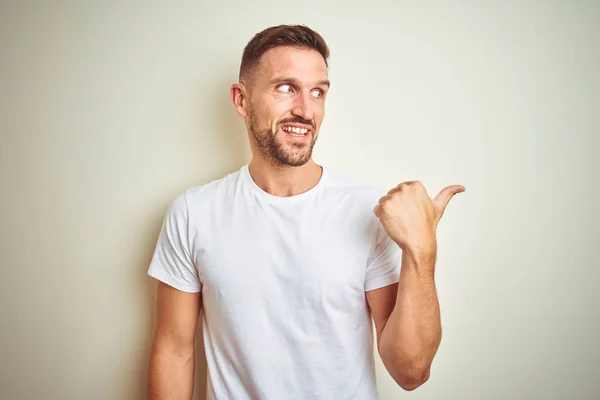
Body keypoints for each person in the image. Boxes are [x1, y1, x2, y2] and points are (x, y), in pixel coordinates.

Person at [146, 24, 465, 400]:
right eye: (286, 88)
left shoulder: (370, 211)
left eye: (318, 92)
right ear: (241, 100)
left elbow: (410, 372)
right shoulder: (193, 213)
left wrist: (421, 251)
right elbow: (174, 351)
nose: (305, 109)